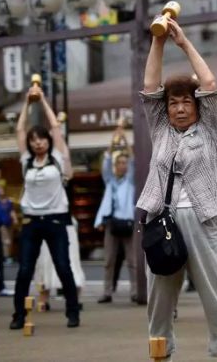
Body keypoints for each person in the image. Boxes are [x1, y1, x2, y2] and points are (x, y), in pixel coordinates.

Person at [138, 17, 217, 361]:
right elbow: (150, 87)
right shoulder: (160, 129)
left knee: (215, 291)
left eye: (186, 102)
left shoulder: (209, 128)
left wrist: (182, 43)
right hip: (161, 220)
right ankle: (160, 353)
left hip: (203, 216)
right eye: (173, 103)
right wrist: (158, 40)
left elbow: (209, 83)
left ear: (197, 106)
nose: (179, 108)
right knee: (160, 297)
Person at [9, 86, 80, 330]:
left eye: (41, 139)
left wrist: (43, 100)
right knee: (25, 270)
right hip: (31, 221)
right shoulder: (26, 160)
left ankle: (72, 312)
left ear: (48, 141)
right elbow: (19, 129)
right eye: (33, 140)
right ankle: (18, 315)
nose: (38, 143)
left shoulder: (58, 158)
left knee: (62, 266)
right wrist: (28, 103)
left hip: (56, 220)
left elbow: (56, 128)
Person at [94, 128, 137, 304]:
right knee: (109, 261)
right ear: (115, 165)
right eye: (120, 163)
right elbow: (105, 164)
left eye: (125, 163)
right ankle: (107, 292)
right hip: (112, 224)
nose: (123, 166)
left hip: (129, 223)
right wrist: (113, 142)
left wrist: (125, 141)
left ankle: (135, 291)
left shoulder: (131, 181)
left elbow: (134, 160)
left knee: (133, 261)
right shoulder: (110, 181)